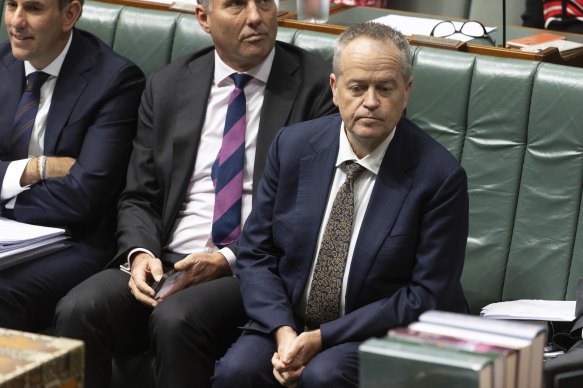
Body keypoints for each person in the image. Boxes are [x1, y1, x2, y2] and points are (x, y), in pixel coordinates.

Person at [53, 0, 336, 386]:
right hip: (166, 261)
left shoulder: (318, 87)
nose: (255, 17)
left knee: (177, 318)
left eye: (265, 3)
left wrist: (226, 258)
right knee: (79, 308)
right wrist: (140, 253)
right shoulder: (168, 84)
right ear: (203, 18)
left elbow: (307, 209)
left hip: (250, 266)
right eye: (236, 4)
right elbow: (140, 194)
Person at [212, 21, 469, 387]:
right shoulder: (293, 147)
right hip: (290, 319)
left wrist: (323, 337)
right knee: (237, 372)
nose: (371, 102)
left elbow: (424, 294)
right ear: (335, 89)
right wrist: (285, 331)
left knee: (324, 376)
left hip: (380, 329)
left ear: (407, 91)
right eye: (357, 87)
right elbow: (256, 252)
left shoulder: (440, 177)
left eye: (385, 88)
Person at [0, 0, 144, 331]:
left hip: (76, 242)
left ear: (70, 14)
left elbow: (83, 196)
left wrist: (6, 197)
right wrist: (37, 168)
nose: (17, 21)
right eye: (11, 5)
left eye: (33, 8)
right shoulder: (2, 63)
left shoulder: (115, 81)